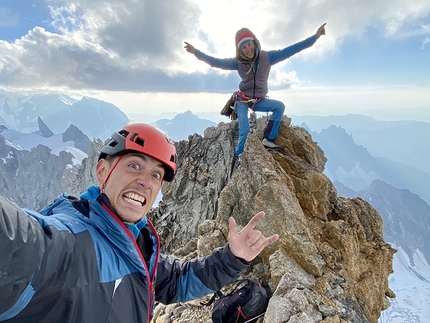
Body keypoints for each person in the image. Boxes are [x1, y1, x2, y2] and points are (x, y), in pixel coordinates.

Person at [0, 123, 279, 323]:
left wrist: (233, 259)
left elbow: (179, 281)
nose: (146, 182)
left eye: (156, 175)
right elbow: (18, 239)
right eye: (134, 165)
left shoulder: (139, 246)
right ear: (102, 170)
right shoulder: (69, 242)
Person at [185, 23, 326, 156]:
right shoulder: (238, 62)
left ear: (254, 43)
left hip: (259, 100)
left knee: (279, 107)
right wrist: (195, 52)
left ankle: (267, 139)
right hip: (242, 100)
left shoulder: (267, 57)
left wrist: (315, 37)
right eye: (244, 47)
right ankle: (240, 156)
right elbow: (215, 62)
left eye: (249, 44)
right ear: (240, 50)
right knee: (244, 130)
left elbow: (291, 50)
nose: (248, 49)